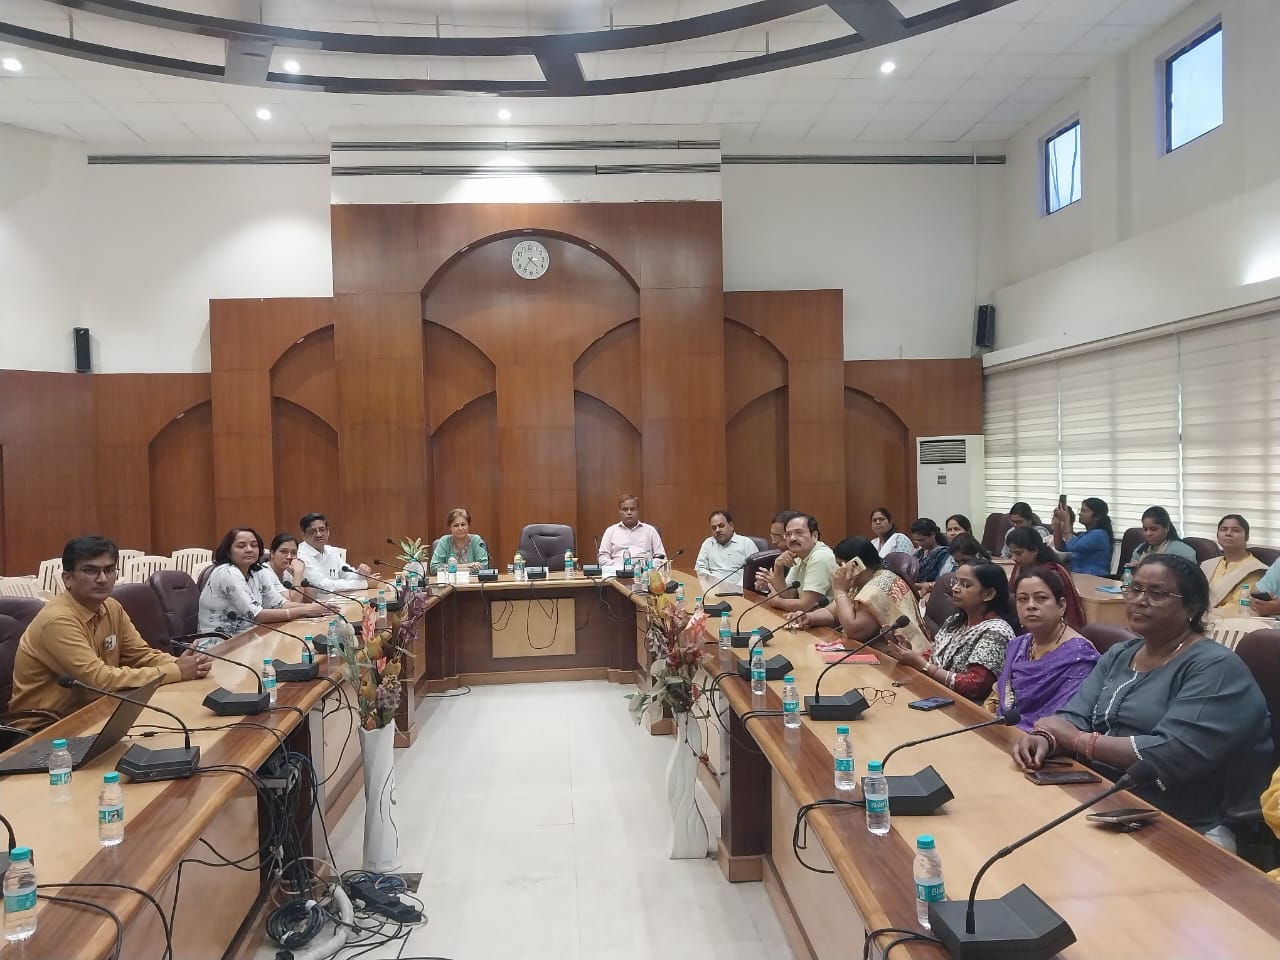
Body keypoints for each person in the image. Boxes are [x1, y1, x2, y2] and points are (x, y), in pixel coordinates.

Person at [1011, 555, 1271, 850]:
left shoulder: (1216, 667)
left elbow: (1170, 751)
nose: (1139, 600)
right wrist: (1045, 738)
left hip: (1186, 820)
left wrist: (1079, 741)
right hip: (1102, 798)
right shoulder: (1120, 654)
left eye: (1157, 594)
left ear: (1192, 606)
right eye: (1134, 589)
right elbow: (1073, 714)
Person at [9, 536, 212, 717]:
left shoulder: (112, 607)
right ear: (67, 579)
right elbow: (99, 680)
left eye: (109, 570)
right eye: (90, 571)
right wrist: (175, 671)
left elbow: (140, 655)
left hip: (97, 709)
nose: (102, 579)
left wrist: (186, 664)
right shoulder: (57, 620)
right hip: (46, 726)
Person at [882, 560, 1015, 702]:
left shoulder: (996, 632)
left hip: (962, 706)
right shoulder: (956, 620)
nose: (955, 589)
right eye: (956, 582)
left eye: (965, 585)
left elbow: (975, 686)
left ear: (988, 594)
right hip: (934, 692)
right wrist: (910, 654)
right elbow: (934, 655)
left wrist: (922, 665)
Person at [988, 567, 1099, 730]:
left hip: (1045, 739)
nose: (1030, 606)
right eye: (1022, 599)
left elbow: (1067, 717)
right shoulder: (1018, 645)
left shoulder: (1079, 655)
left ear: (1061, 606)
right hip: (1002, 728)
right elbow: (999, 696)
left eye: (1041, 598)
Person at [793, 536, 930, 652]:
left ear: (857, 564)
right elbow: (832, 612)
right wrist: (809, 617)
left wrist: (839, 589)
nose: (838, 570)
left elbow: (854, 631)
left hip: (904, 660)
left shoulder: (876, 589)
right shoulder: (862, 580)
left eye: (841, 564)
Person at [198, 527, 329, 641]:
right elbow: (256, 615)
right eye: (241, 546)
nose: (249, 549)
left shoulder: (257, 571)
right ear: (228, 551)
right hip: (220, 644)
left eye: (254, 545)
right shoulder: (227, 572)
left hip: (251, 638)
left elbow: (279, 604)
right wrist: (305, 610)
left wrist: (318, 607)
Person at [1006, 525, 1086, 630]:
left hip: (1050, 625)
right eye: (1011, 553)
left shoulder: (1051, 573)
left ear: (1034, 551)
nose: (1013, 558)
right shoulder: (1021, 566)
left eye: (1018, 553)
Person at [760, 513, 836, 612]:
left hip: (825, 619)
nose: (792, 538)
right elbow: (789, 595)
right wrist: (778, 566)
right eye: (788, 534)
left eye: (799, 533)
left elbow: (806, 606)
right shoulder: (799, 555)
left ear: (814, 536)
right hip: (804, 617)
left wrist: (777, 602)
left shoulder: (821, 556)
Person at [1201, 514, 1268, 611]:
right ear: (1217, 535)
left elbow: (1239, 607)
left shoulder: (1256, 570)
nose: (1228, 533)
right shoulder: (1207, 565)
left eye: (1236, 530)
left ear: (1247, 537)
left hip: (1228, 618)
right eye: (1224, 529)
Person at [297, 512, 369, 594]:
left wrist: (361, 574)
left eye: (322, 530)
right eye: (313, 531)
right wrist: (364, 584)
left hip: (337, 598)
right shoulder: (300, 555)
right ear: (303, 535)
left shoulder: (331, 551)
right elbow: (323, 586)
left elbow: (347, 574)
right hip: (314, 601)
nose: (319, 534)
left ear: (328, 531)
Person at [1051, 497, 1113, 577]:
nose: (1080, 514)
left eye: (1085, 511)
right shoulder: (1085, 535)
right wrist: (1057, 524)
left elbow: (1073, 546)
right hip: (1079, 576)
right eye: (1080, 510)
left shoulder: (1099, 534)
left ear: (1097, 517)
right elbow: (1060, 547)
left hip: (1094, 578)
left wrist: (1066, 520)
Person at [693, 510, 758, 588]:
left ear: (731, 526)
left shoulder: (746, 543)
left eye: (721, 526)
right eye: (714, 528)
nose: (717, 530)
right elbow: (700, 568)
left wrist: (737, 588)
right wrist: (713, 583)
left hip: (739, 590)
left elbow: (754, 571)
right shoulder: (708, 543)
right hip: (713, 589)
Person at [597, 494, 666, 566]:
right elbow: (602, 558)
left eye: (632, 509)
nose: (629, 512)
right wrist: (620, 568)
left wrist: (647, 566)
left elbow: (661, 557)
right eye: (625, 509)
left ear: (638, 511)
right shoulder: (610, 531)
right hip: (618, 571)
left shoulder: (650, 530)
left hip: (645, 571)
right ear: (619, 512)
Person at [428, 507, 489, 574]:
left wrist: (451, 568)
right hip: (449, 580)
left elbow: (484, 566)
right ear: (450, 528)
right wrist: (468, 565)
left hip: (472, 580)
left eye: (463, 525)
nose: (460, 528)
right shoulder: (444, 541)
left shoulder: (476, 540)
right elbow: (434, 568)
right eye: (456, 525)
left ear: (468, 525)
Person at [1130, 506, 1197, 565]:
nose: (1148, 533)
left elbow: (1188, 575)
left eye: (1153, 529)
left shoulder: (1183, 552)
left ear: (1167, 528)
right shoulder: (1140, 550)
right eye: (1145, 529)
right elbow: (1127, 575)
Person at [753, 509, 800, 593]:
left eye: (777, 537)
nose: (773, 542)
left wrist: (774, 583)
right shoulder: (781, 557)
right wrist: (767, 586)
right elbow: (784, 591)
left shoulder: (809, 558)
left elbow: (795, 596)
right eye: (772, 536)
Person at [261, 532, 307, 601]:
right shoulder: (264, 573)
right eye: (284, 551)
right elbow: (295, 601)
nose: (289, 557)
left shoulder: (288, 570)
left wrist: (300, 576)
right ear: (272, 553)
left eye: (293, 552)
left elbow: (309, 598)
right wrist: (298, 573)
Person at [910, 518, 955, 588]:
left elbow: (942, 580)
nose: (919, 544)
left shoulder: (944, 554)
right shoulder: (919, 554)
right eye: (916, 540)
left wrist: (918, 585)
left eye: (922, 540)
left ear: (932, 534)